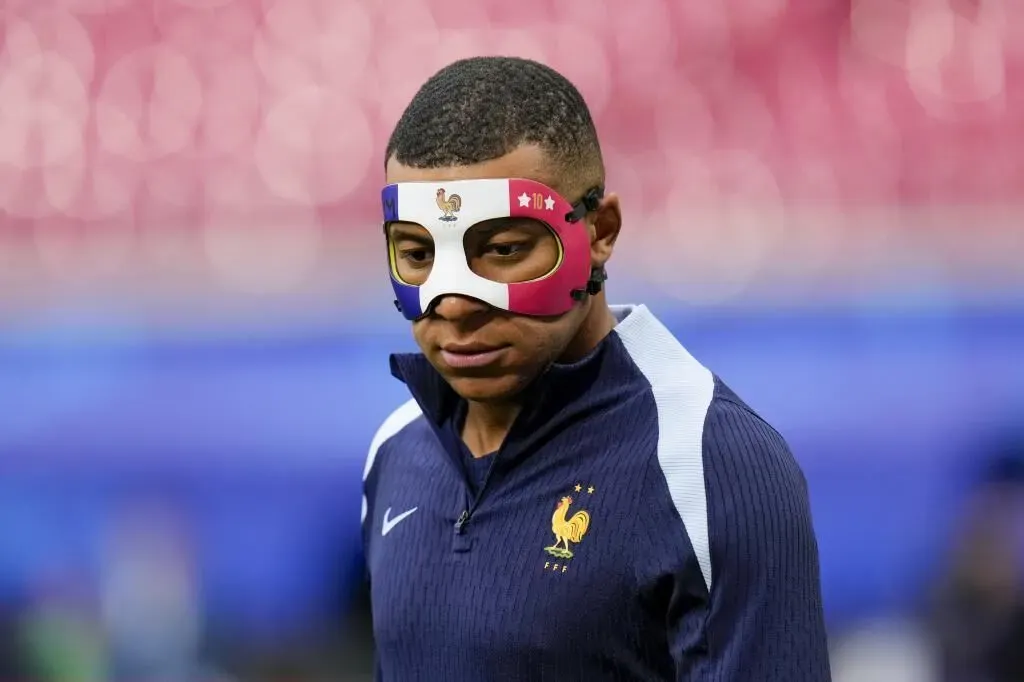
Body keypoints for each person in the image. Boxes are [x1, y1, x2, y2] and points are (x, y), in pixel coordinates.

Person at [361, 56, 831, 681]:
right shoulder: (395, 450)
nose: (453, 303)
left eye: (503, 250)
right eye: (418, 253)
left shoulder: (708, 462)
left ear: (601, 231)